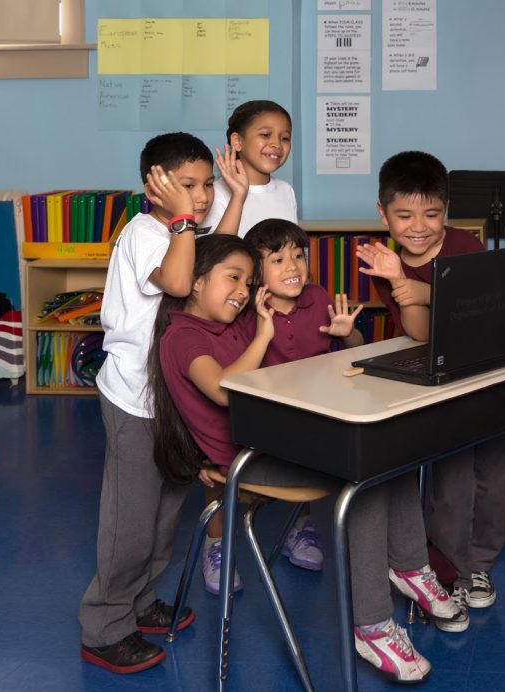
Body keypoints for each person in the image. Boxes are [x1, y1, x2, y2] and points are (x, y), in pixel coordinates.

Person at [150, 233, 461, 684]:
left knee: (389, 451)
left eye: (246, 282)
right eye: (232, 278)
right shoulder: (184, 336)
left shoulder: (225, 324)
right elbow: (221, 390)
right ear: (195, 283)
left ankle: (411, 568)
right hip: (251, 458)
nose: (241, 292)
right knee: (363, 480)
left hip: (276, 440)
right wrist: (264, 334)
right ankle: (372, 625)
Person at [79, 131, 224, 674]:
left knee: (165, 515)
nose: (201, 196)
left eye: (207, 185)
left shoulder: (183, 231)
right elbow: (181, 281)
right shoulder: (145, 232)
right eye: (188, 185)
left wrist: (230, 199)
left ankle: (140, 602)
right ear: (155, 186)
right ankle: (104, 627)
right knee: (131, 521)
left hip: (171, 397)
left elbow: (220, 254)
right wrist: (184, 219)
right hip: (134, 400)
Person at [356, 150, 505, 630]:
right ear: (383, 213)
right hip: (444, 387)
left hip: (494, 380)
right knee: (452, 483)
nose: (418, 227)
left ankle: (480, 564)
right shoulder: (388, 263)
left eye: (431, 214)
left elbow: (485, 309)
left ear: (446, 210)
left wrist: (425, 290)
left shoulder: (467, 247)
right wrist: (399, 281)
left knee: (495, 478)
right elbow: (421, 332)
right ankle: (453, 569)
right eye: (404, 215)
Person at [192, 218, 365, 597]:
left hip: (311, 419)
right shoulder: (243, 311)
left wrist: (348, 334)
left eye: (298, 256)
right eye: (278, 259)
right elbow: (222, 384)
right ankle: (216, 544)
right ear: (256, 273)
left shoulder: (318, 297)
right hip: (258, 420)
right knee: (217, 470)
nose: (292, 266)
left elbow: (356, 348)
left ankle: (301, 527)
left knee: (320, 457)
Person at [202, 99, 296, 237]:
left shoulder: (286, 190)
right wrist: (238, 196)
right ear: (237, 141)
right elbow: (213, 249)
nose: (277, 144)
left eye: (285, 138)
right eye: (265, 135)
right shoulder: (214, 193)